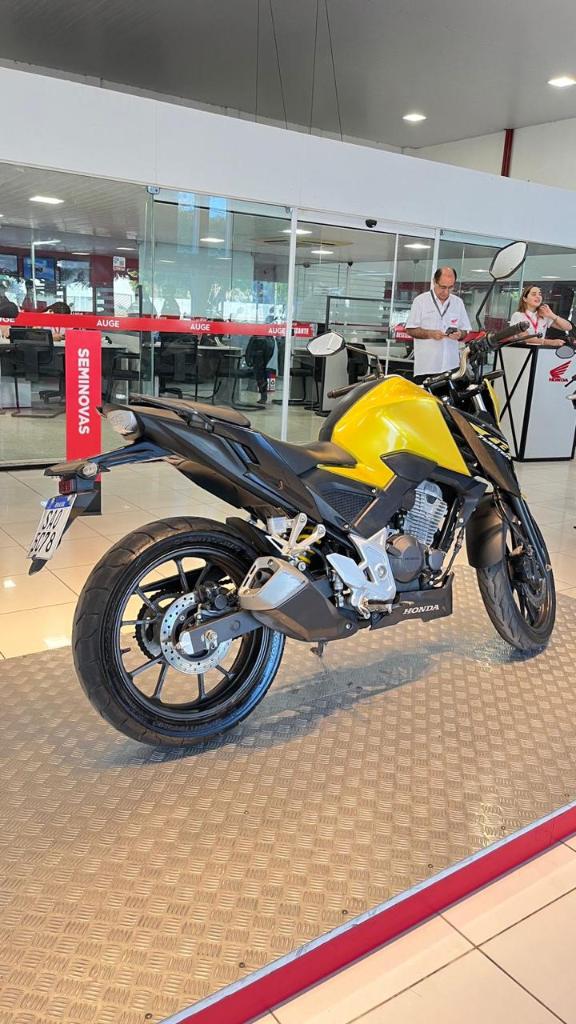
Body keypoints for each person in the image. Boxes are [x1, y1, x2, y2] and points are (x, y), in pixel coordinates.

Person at [405, 267, 471, 381]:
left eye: (450, 287)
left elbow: (465, 331)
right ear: (434, 282)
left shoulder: (458, 303)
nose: (446, 292)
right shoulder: (420, 301)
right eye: (443, 287)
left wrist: (460, 334)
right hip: (426, 368)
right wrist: (430, 334)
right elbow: (410, 329)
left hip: (451, 367)